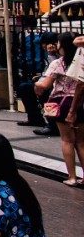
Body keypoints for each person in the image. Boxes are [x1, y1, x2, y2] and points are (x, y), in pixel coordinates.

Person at [36, 32, 82, 185]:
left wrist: (36, 84)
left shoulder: (58, 63)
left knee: (67, 141)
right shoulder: (81, 62)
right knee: (81, 142)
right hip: (80, 102)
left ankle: (72, 177)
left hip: (62, 103)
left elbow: (45, 85)